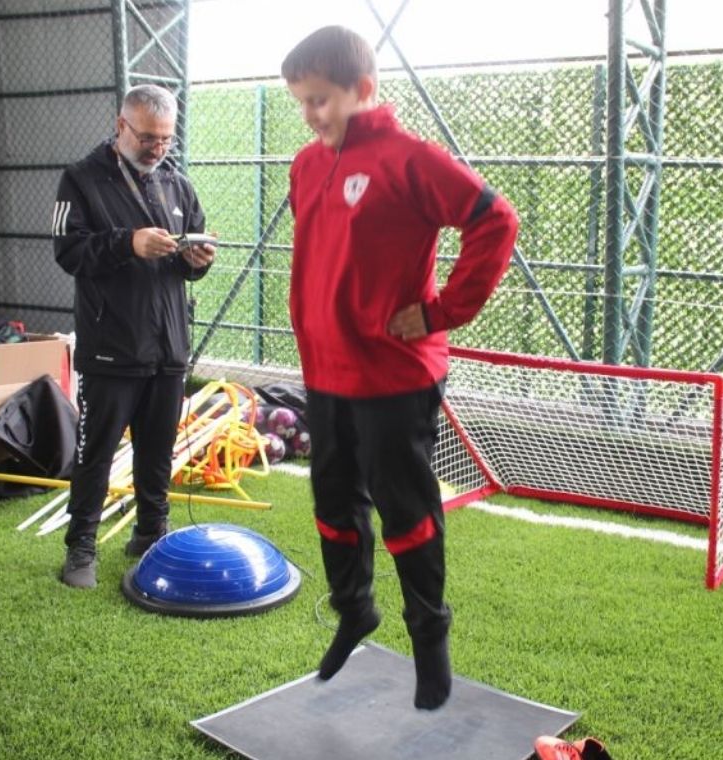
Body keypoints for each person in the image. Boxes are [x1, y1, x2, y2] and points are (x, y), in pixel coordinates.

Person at [281, 26, 520, 710]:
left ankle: (429, 637)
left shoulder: (410, 158)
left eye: (321, 99)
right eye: (301, 102)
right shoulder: (306, 164)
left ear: (363, 89)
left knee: (405, 509)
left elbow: (496, 221)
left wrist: (443, 310)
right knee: (333, 502)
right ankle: (354, 608)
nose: (311, 115)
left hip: (395, 374)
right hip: (326, 370)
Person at [52, 84, 216, 589]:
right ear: (121, 125)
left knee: (158, 452)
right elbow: (68, 251)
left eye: (166, 139)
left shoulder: (177, 183)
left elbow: (191, 260)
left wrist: (198, 261)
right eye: (147, 138)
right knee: (96, 453)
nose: (157, 148)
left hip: (169, 348)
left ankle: (151, 535)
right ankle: (81, 548)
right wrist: (128, 243)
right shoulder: (80, 179)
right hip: (111, 347)